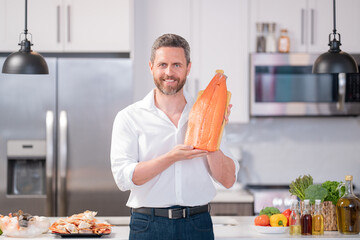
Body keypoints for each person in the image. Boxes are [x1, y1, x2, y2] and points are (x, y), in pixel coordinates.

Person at [110, 33, 239, 240]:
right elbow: (124, 179)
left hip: (197, 225)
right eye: (162, 65)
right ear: (151, 66)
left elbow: (228, 180)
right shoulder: (129, 117)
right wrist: (171, 157)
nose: (169, 72)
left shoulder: (207, 112)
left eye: (177, 65)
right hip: (148, 226)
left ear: (188, 68)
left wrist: (212, 131)